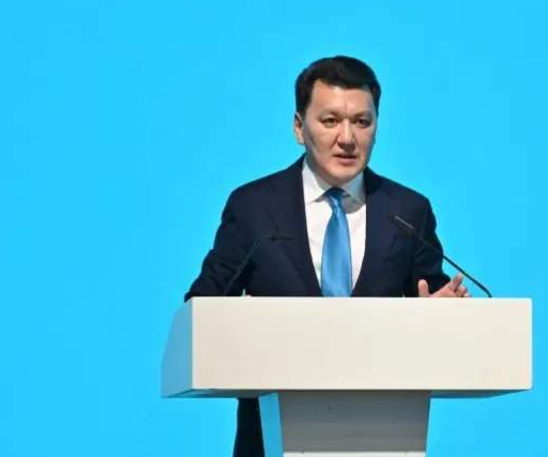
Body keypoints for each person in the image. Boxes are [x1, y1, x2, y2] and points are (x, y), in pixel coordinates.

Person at [185, 55, 469, 457]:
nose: (347, 138)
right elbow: (201, 308)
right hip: (270, 441)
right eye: (331, 120)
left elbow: (433, 299)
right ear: (299, 127)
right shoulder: (254, 208)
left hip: (382, 437)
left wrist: (443, 315)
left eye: (362, 122)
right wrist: (242, 322)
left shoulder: (407, 211)